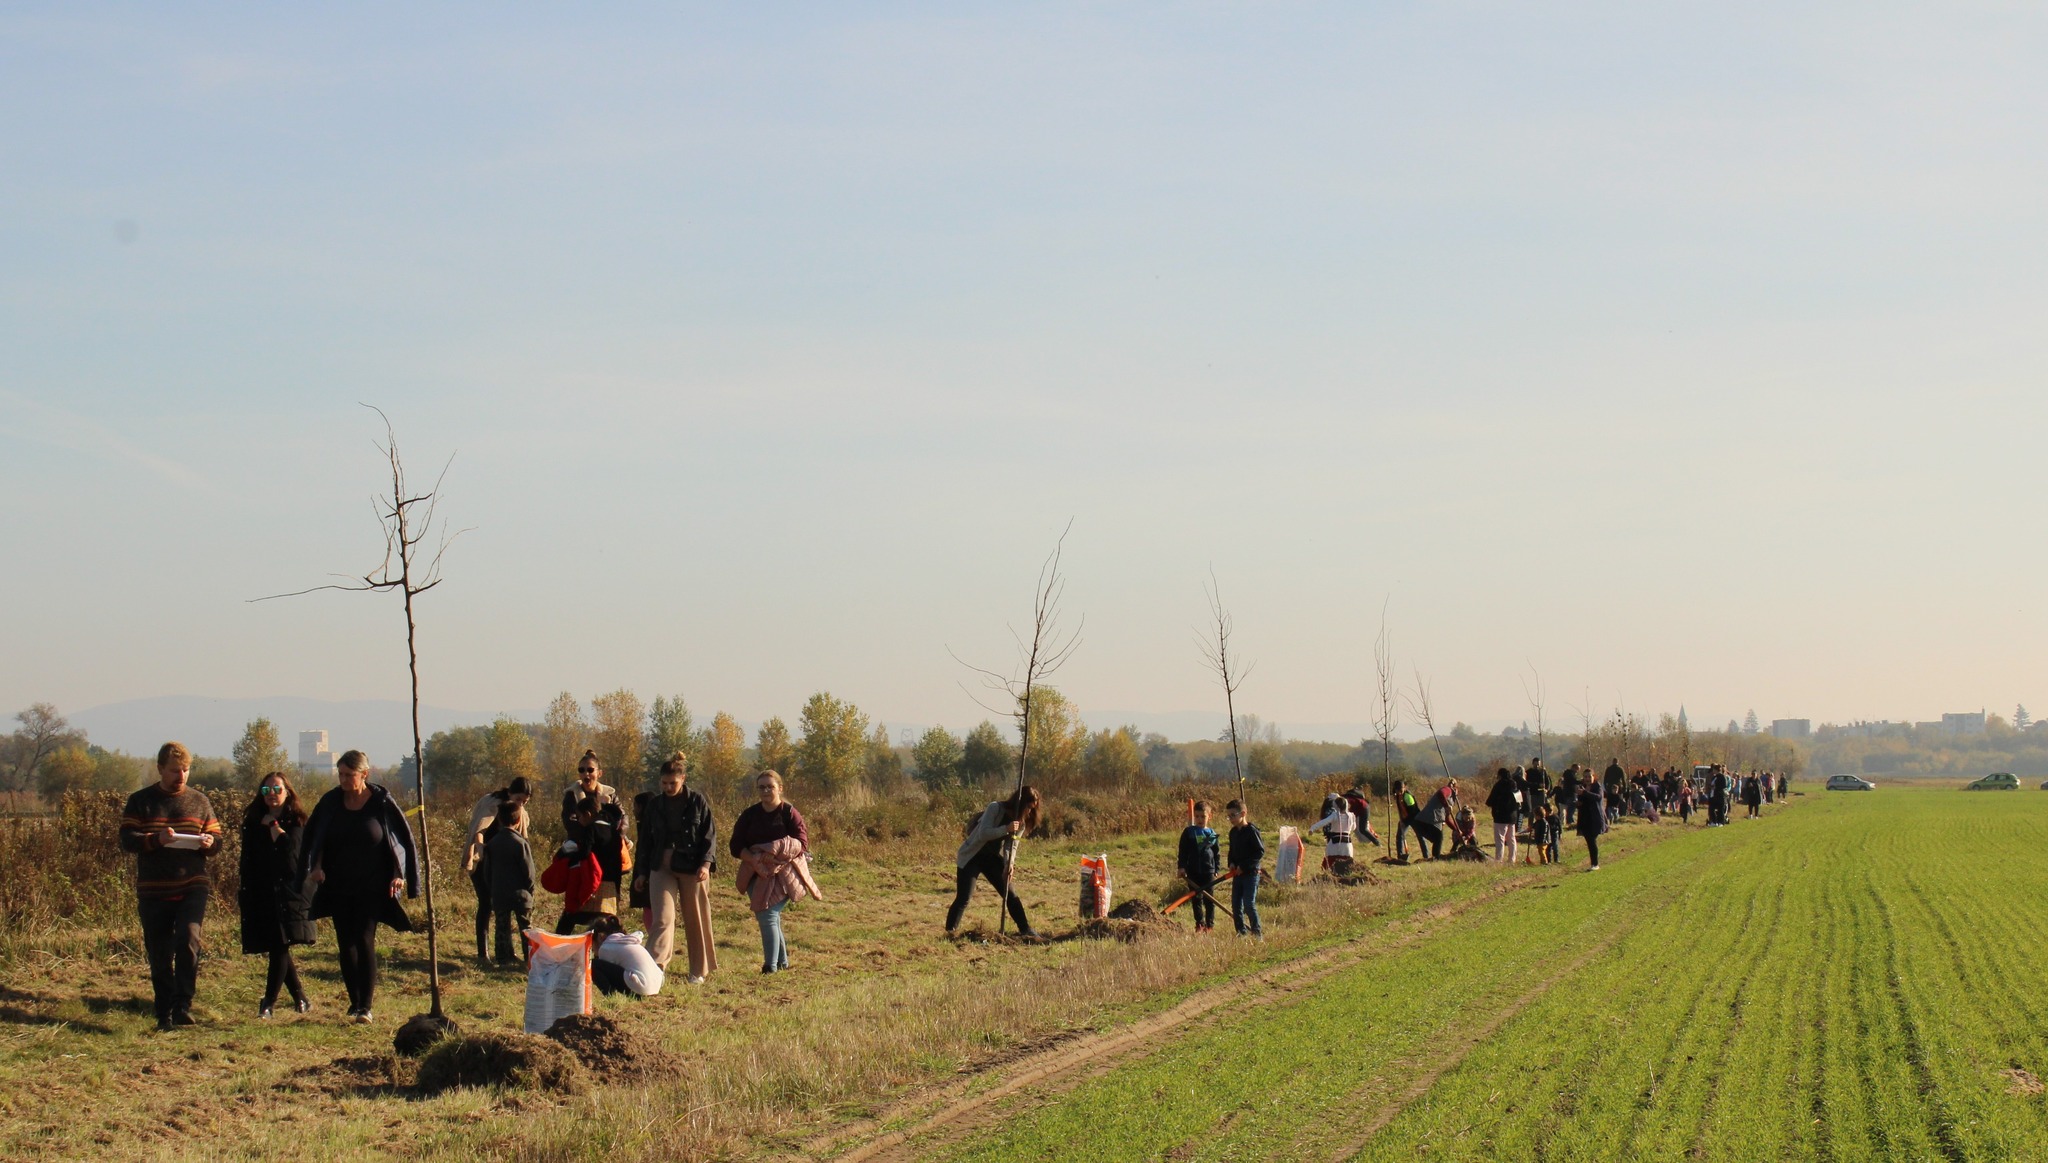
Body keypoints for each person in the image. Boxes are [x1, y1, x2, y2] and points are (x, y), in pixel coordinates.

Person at [302, 750, 419, 1024]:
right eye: (340, 774)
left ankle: (365, 1006)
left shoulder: (381, 802)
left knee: (365, 938)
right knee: (346, 943)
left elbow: (398, 841)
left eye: (348, 775)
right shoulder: (331, 802)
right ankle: (354, 1002)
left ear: (364, 775)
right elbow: (317, 838)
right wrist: (315, 867)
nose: (343, 779)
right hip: (338, 885)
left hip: (373, 886)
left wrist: (398, 874)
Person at [118, 742, 223, 1031]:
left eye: (186, 770)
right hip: (154, 889)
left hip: (192, 883)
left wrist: (210, 844)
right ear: (160, 769)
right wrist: (155, 840)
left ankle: (183, 1004)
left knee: (189, 939)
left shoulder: (200, 801)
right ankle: (163, 1011)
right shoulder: (141, 801)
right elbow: (127, 839)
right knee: (160, 952)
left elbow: (217, 839)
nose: (181, 776)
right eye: (175, 770)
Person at [637, 750, 720, 983]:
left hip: (692, 866)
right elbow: (645, 841)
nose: (668, 787)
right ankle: (655, 969)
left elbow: (709, 835)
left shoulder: (697, 801)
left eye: (672, 783)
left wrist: (706, 864)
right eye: (664, 783)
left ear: (683, 779)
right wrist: (642, 872)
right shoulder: (654, 805)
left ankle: (698, 971)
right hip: (660, 865)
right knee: (662, 918)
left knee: (696, 918)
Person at [732, 770, 822, 974]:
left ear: (780, 788)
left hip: (784, 874)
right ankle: (782, 963)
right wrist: (753, 858)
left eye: (770, 786)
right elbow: (735, 845)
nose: (765, 790)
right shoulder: (749, 815)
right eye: (761, 787)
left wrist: (775, 850)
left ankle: (769, 967)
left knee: (768, 915)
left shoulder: (789, 813)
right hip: (755, 873)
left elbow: (802, 843)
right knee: (769, 917)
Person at [239, 771, 313, 1018]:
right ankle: (301, 998)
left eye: (277, 789)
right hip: (262, 893)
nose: (271, 794)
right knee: (277, 946)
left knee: (279, 946)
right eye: (265, 790)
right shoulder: (253, 822)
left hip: (290, 894)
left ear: (288, 792)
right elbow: (248, 860)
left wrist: (272, 825)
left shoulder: (297, 822)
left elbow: (291, 861)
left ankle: (268, 1003)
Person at [945, 785, 1040, 938]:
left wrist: (1009, 864)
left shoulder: (1020, 822)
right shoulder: (995, 808)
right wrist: (1006, 828)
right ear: (1020, 803)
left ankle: (1025, 929)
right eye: (1028, 807)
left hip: (991, 859)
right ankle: (950, 932)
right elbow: (983, 834)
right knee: (964, 897)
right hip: (972, 856)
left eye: (1032, 809)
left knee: (1010, 894)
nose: (1030, 812)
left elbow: (1012, 845)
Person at [464, 777, 532, 964]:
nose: (521, 804)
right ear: (510, 793)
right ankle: (482, 954)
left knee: (505, 908)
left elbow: (523, 838)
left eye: (525, 801)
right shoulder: (492, 804)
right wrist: (479, 848)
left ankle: (507, 953)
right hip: (484, 863)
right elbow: (480, 828)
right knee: (486, 904)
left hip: (504, 869)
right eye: (518, 799)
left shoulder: (520, 813)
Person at [560, 751, 630, 915]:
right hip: (584, 850)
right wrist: (592, 833)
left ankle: (607, 929)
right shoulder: (571, 795)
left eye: (590, 770)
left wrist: (616, 836)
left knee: (609, 899)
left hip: (608, 852)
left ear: (599, 773)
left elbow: (623, 818)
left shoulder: (609, 794)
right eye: (582, 770)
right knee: (578, 902)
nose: (586, 774)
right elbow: (569, 822)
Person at [480, 800, 536, 966]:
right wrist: (531, 890)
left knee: (501, 927)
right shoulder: (521, 843)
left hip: (500, 892)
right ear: (519, 821)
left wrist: (491, 889)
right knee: (526, 927)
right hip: (521, 894)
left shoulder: (492, 844)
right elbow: (529, 871)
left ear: (499, 820)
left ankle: (503, 959)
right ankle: (530, 959)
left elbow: (487, 871)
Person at [1178, 801, 1223, 931]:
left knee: (1210, 899)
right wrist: (1181, 867)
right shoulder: (1189, 832)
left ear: (1210, 816)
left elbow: (1216, 853)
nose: (1199, 819)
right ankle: (1199, 923)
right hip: (1192, 871)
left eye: (1203, 816)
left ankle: (1210, 925)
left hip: (1208, 871)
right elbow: (1183, 851)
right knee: (1196, 898)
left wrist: (1216, 869)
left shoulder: (1212, 834)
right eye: (1197, 816)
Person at [1225, 799, 1263, 938]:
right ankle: (1241, 933)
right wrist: (1232, 863)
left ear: (1243, 813)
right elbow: (1231, 851)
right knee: (1236, 906)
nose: (1230, 819)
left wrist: (1244, 866)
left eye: (1233, 815)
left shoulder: (1252, 831)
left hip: (1251, 874)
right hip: (1237, 875)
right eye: (1228, 816)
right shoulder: (1233, 833)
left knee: (1248, 904)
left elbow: (1259, 852)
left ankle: (1257, 932)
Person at [1307, 793, 1356, 877]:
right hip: (1347, 844)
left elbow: (1323, 822)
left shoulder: (1334, 815)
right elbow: (1354, 827)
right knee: (1347, 865)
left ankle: (1329, 878)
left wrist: (1312, 828)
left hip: (1334, 843)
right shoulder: (1351, 816)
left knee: (1330, 863)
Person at [1412, 779, 1455, 861]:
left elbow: (1447, 820)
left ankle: (1435, 859)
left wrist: (1457, 830)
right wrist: (1446, 805)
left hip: (1421, 823)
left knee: (1438, 838)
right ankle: (1436, 859)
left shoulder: (1451, 800)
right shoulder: (1448, 790)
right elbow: (1440, 793)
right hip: (1423, 822)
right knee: (1438, 837)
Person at [1486, 768, 1521, 864]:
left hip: (1500, 816)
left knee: (1500, 839)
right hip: (1512, 816)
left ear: (1500, 775)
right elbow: (1519, 800)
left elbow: (1490, 800)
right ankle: (1512, 859)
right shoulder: (1514, 784)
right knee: (1511, 838)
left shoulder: (1498, 785)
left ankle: (1499, 859)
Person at [1575, 775, 1607, 871]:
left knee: (1592, 840)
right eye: (1586, 777)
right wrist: (1578, 803)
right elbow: (1582, 801)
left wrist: (1585, 792)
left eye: (1589, 777)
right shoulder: (1581, 787)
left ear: (1593, 777)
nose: (1587, 779)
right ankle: (1594, 863)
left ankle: (1595, 864)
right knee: (1589, 841)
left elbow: (1598, 798)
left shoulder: (1597, 787)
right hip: (1584, 818)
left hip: (1595, 818)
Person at [1341, 783, 1381, 848]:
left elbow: (1349, 810)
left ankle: (1377, 843)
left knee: (1363, 829)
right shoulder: (1344, 800)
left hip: (1364, 808)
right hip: (1360, 808)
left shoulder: (1345, 801)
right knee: (1359, 828)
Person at [1392, 780, 1421, 861]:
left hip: (1414, 818)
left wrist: (1404, 821)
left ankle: (1426, 856)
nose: (1399, 793)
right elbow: (1394, 792)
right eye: (1398, 791)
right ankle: (1400, 856)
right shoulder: (1397, 793)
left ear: (1404, 788)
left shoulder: (1408, 797)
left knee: (1420, 836)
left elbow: (1413, 812)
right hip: (1404, 818)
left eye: (1401, 791)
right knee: (1399, 836)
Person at [1559, 764, 1581, 829]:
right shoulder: (1570, 774)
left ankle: (1570, 821)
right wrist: (1580, 782)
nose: (1577, 771)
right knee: (1571, 808)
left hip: (1568, 794)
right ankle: (1570, 822)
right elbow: (1573, 781)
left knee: (1571, 808)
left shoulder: (1568, 774)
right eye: (1577, 769)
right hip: (1570, 794)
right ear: (1573, 768)